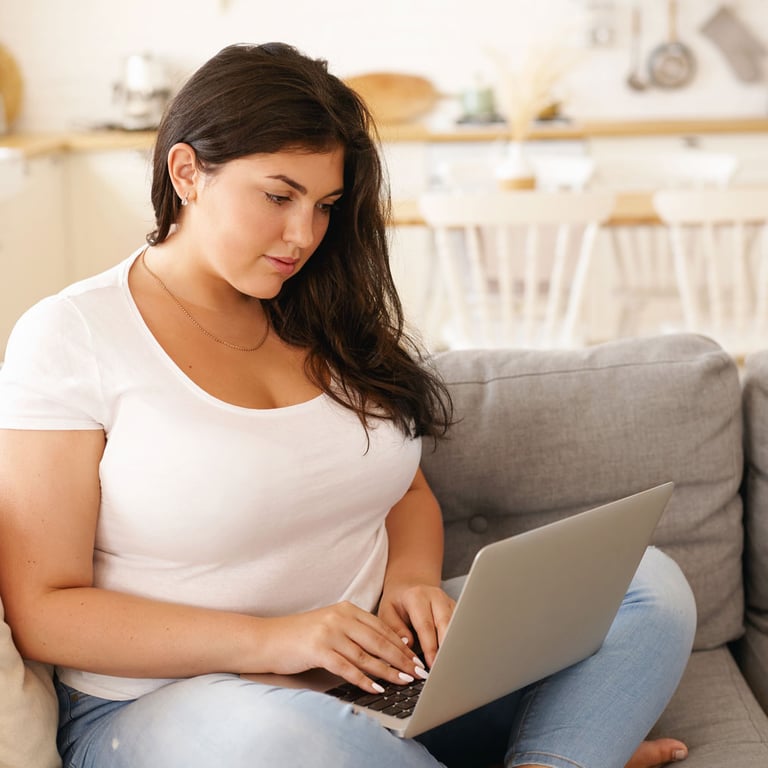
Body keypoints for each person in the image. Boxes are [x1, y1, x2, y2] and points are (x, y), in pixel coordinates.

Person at [0, 42, 696, 768]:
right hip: (174, 708)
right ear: (187, 173)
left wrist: (411, 582)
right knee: (285, 737)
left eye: (325, 205)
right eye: (278, 196)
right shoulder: (72, 334)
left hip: (377, 682)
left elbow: (403, 488)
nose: (303, 236)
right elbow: (45, 607)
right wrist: (269, 639)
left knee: (644, 585)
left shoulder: (330, 315)